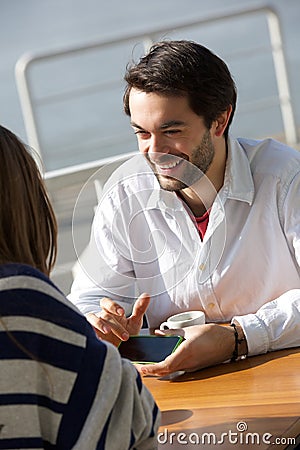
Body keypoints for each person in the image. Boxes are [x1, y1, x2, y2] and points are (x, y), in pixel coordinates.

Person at [68, 40, 300, 376]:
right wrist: (102, 326)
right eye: (142, 133)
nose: (154, 151)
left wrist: (239, 337)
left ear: (220, 121)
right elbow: (86, 301)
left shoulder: (286, 178)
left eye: (171, 131)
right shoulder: (124, 193)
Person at [0, 125, 159, 448]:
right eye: (141, 133)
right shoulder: (22, 302)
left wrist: (90, 342)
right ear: (28, 208)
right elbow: (134, 423)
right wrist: (97, 354)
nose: (153, 150)